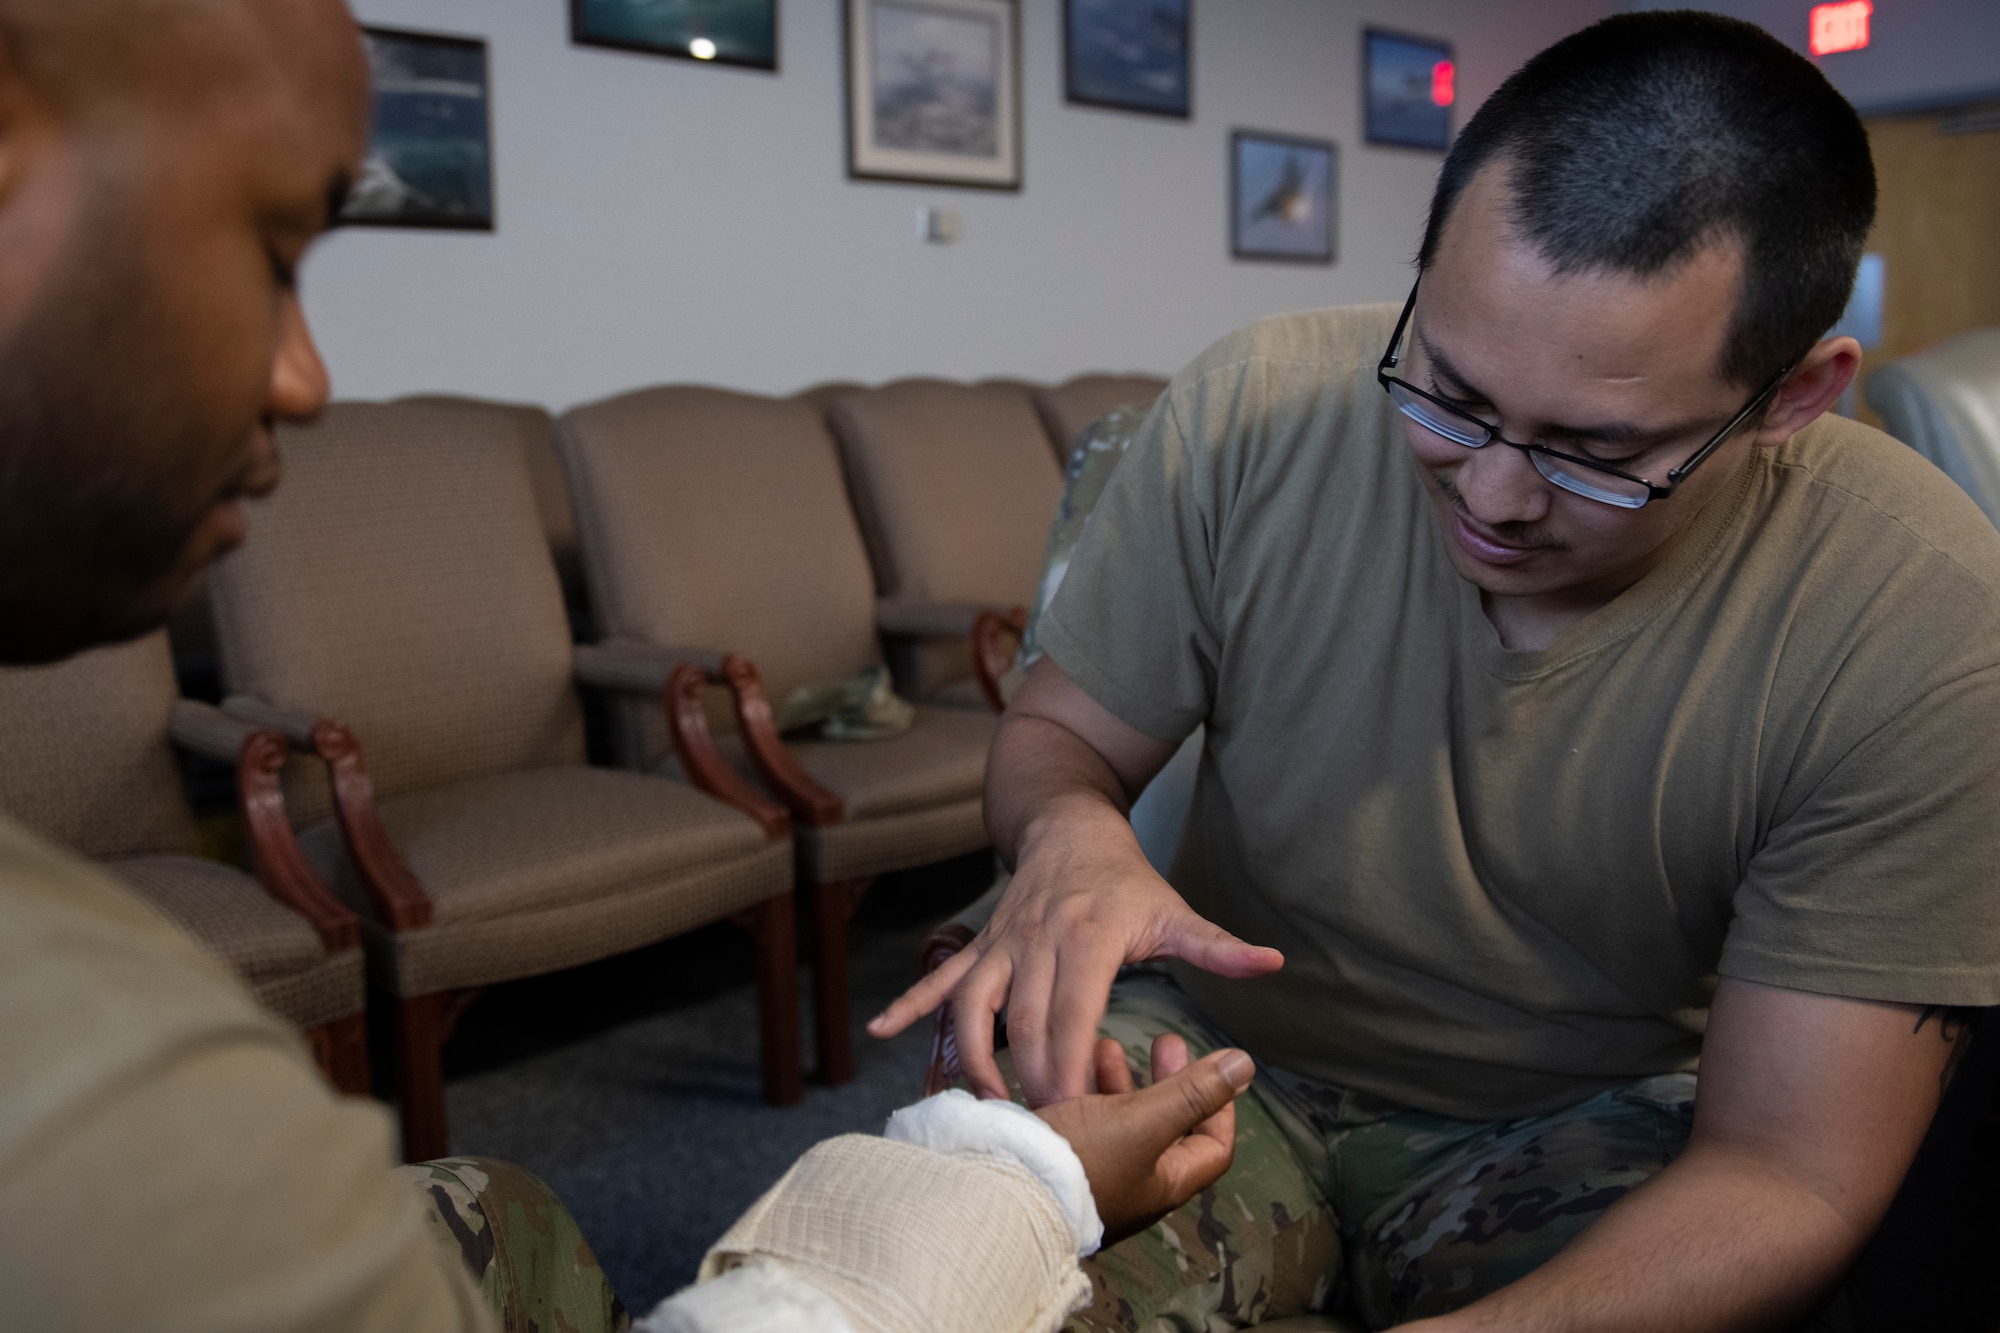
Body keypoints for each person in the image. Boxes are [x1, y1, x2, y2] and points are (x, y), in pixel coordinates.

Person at [0, 1, 1256, 1329]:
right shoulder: (108, 1090)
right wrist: (1026, 1180)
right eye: (271, 253)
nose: (307, 375)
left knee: (498, 1202)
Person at [873, 12, 2000, 1331]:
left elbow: (1789, 1170)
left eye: (1599, 450)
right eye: (1450, 394)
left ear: (1797, 397)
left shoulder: (1918, 619)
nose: (1496, 494)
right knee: (932, 1264)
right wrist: (1067, 829)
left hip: (1587, 1128)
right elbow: (1060, 733)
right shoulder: (1254, 412)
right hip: (1221, 1055)